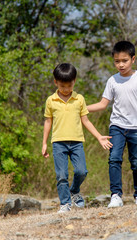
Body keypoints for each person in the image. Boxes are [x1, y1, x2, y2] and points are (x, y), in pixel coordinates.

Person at [87, 41, 137, 208]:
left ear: (133, 59)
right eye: (117, 61)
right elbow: (102, 104)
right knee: (114, 159)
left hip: (136, 128)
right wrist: (82, 108)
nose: (120, 64)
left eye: (124, 60)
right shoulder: (112, 81)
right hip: (117, 126)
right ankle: (116, 195)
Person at [42, 63, 113, 213]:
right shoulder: (51, 100)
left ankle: (74, 190)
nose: (66, 89)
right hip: (58, 143)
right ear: (55, 82)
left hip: (76, 143)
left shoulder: (79, 99)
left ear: (74, 81)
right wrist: (44, 143)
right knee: (61, 175)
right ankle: (65, 203)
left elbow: (85, 120)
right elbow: (48, 121)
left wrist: (99, 137)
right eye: (62, 86)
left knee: (82, 171)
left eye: (70, 85)